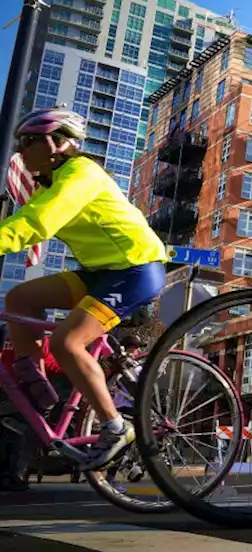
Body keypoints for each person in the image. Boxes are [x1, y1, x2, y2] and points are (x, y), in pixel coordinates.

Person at [0, 108, 167, 471]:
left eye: (28, 142)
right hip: (100, 272)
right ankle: (36, 386)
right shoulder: (54, 181)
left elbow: (38, 222)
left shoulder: (80, 173)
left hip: (136, 268)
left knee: (67, 341)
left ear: (57, 143)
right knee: (19, 299)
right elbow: (26, 216)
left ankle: (115, 426)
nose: (22, 151)